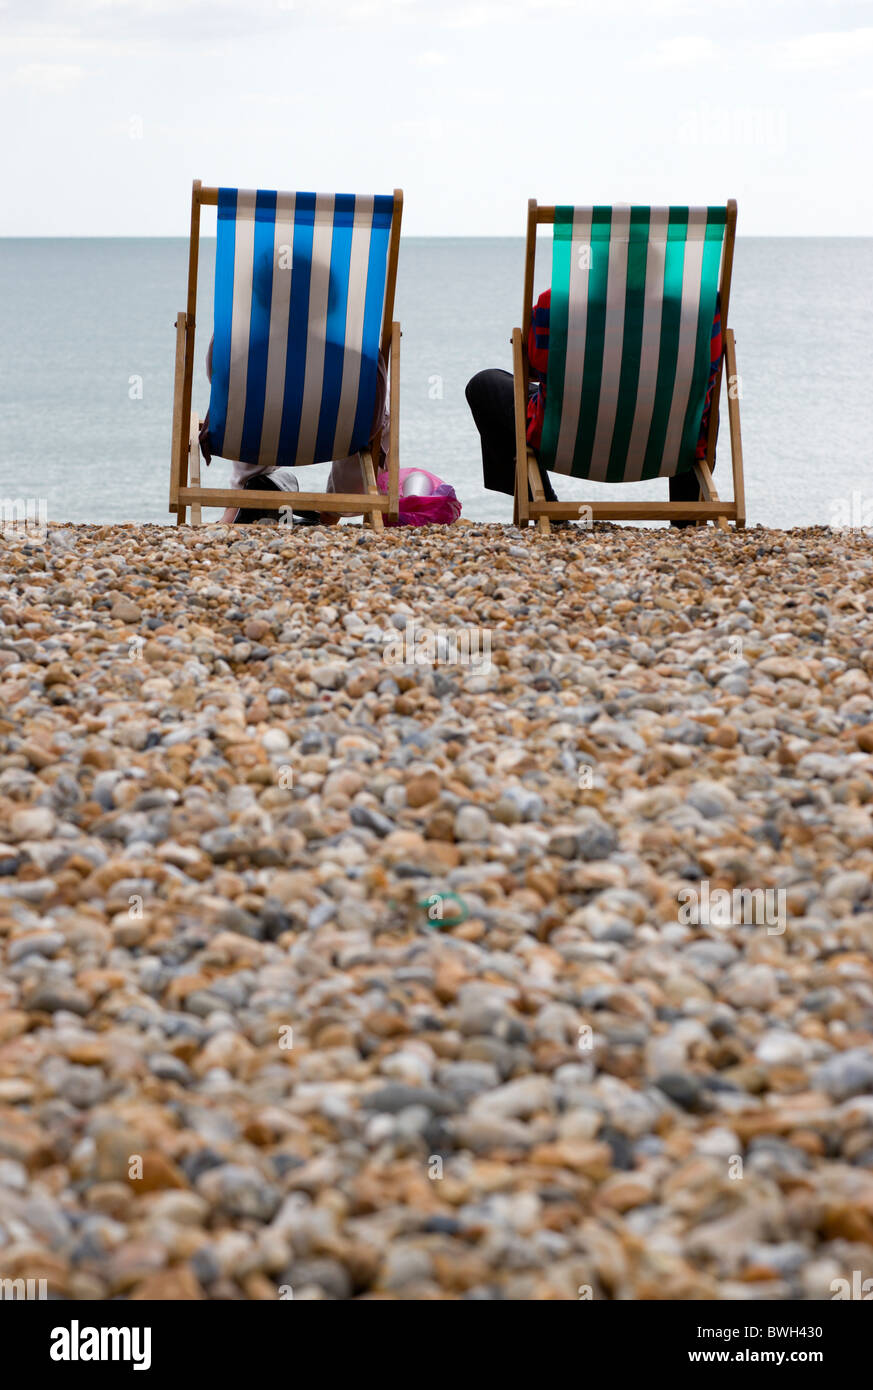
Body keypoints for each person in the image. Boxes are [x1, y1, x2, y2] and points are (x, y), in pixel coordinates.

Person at [467, 289, 722, 525]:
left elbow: (534, 370)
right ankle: (686, 518)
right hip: (668, 442)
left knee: (484, 386)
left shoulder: (556, 302)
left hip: (570, 439)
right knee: (697, 403)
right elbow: (707, 373)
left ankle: (545, 508)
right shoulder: (702, 305)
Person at [199, 339, 390, 525]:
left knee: (248, 388)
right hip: (339, 421)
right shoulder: (352, 327)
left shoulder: (244, 325)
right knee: (373, 406)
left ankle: (240, 499)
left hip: (263, 413)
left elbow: (215, 372)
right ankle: (335, 509)